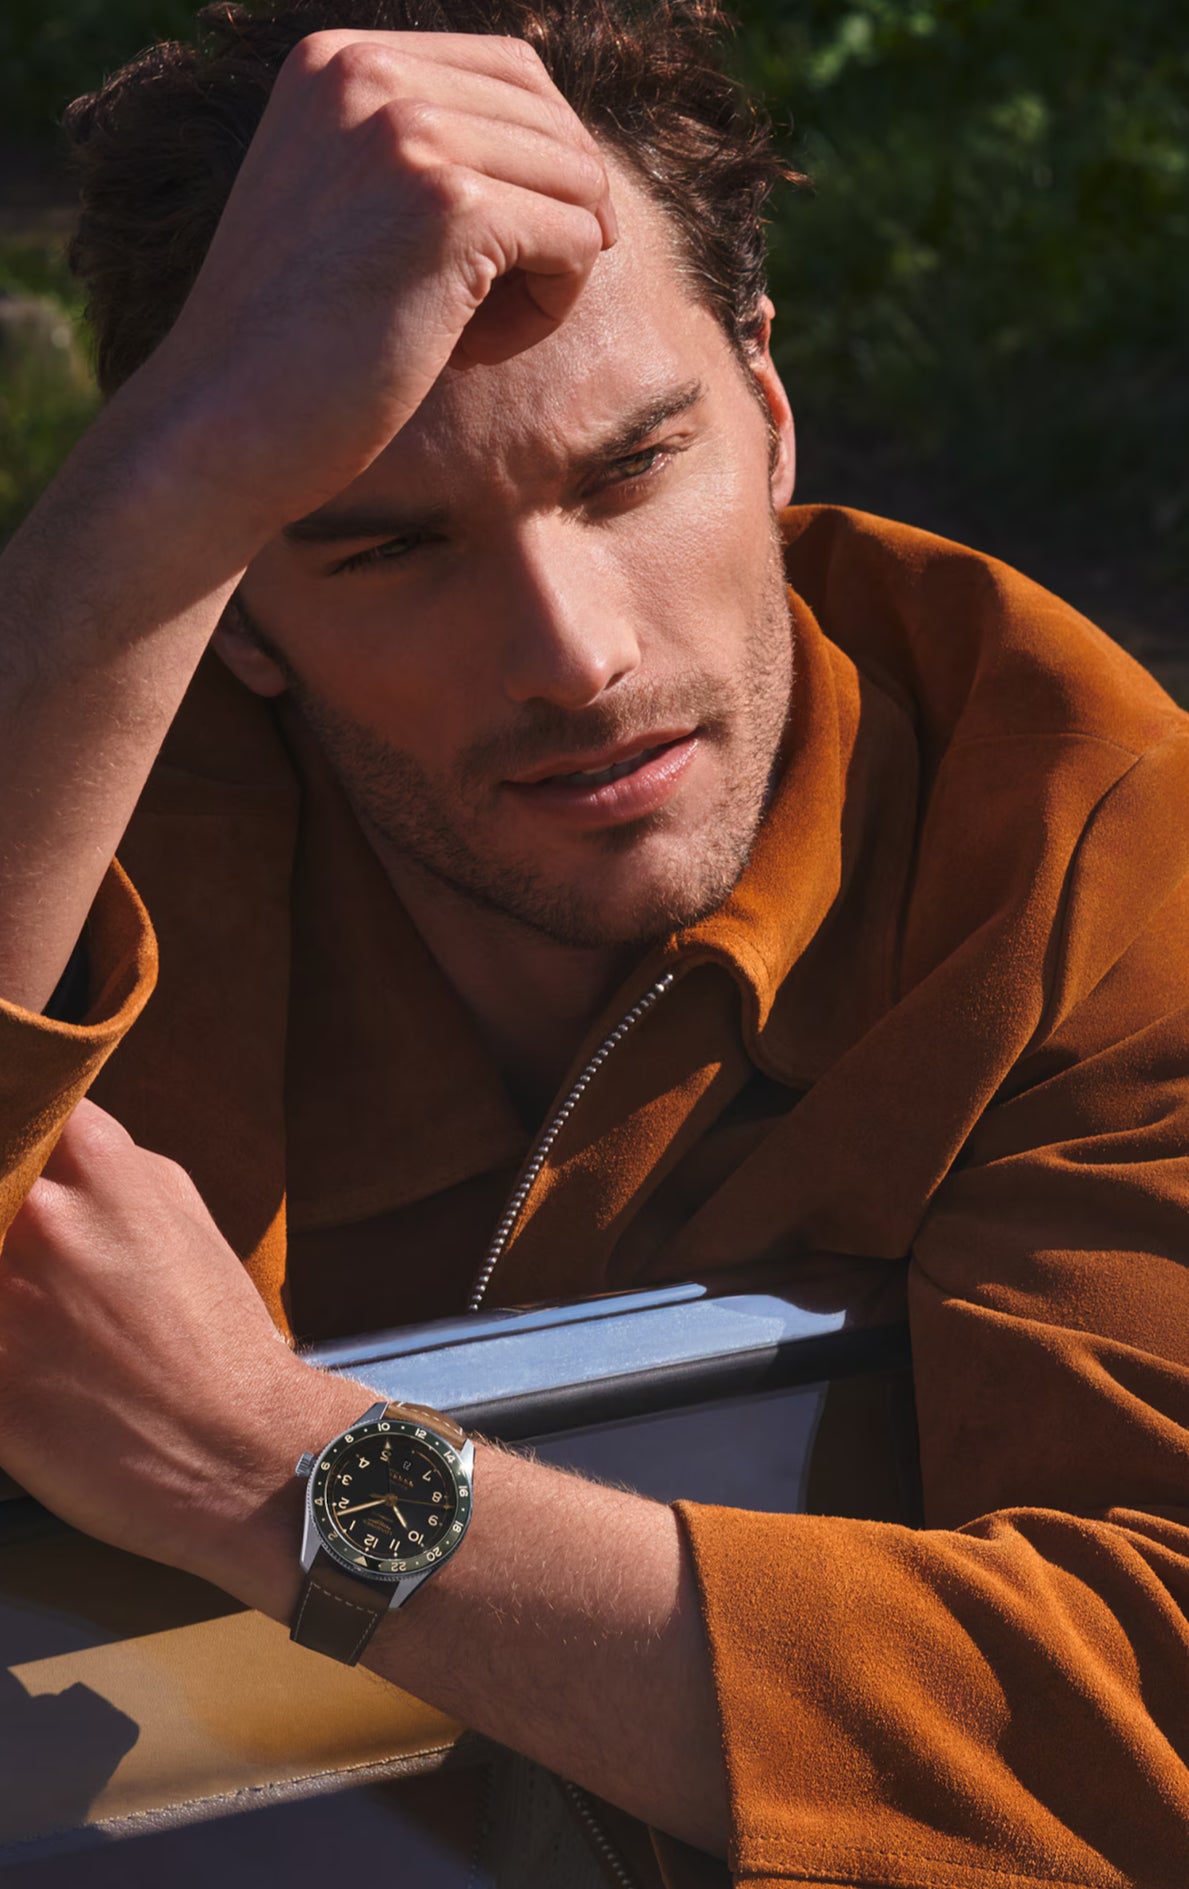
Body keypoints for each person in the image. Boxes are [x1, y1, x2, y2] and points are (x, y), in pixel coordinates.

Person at [0, 0, 1187, 1883]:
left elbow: (1146, 1713)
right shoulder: (101, 811)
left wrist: (277, 1471)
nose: (574, 653)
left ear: (767, 409)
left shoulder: (1071, 831)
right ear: (234, 607)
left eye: (629, 470)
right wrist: (143, 514)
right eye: (388, 548)